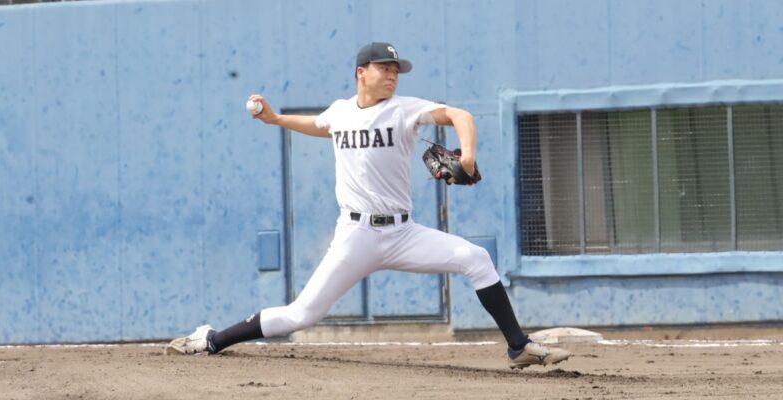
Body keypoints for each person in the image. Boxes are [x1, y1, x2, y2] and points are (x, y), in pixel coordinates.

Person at [166, 42, 571, 370]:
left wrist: (467, 156)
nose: (392, 75)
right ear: (362, 73)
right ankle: (212, 339)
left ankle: (518, 346)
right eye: (384, 68)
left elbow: (459, 114)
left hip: (403, 233)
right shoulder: (341, 112)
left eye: (396, 70)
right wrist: (275, 119)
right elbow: (319, 124)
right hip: (356, 235)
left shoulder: (405, 109)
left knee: (476, 257)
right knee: (300, 315)